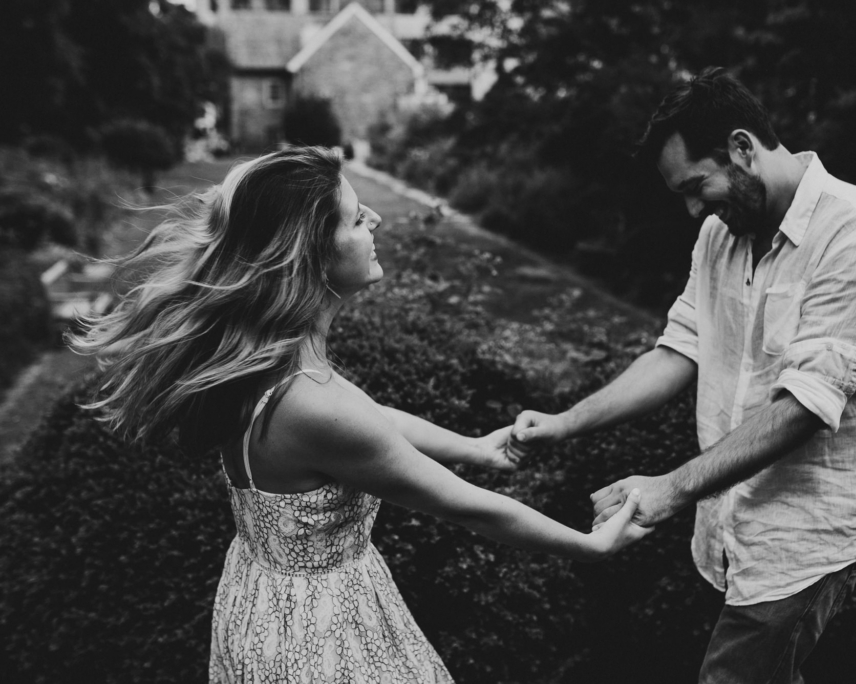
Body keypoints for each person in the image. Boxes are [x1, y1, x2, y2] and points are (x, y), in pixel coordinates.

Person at [69, 146, 651, 683]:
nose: (374, 220)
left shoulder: (263, 363)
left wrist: (473, 447)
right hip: (322, 637)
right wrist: (588, 546)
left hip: (261, 604)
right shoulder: (315, 404)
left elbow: (375, 420)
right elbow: (468, 507)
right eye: (353, 218)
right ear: (311, 257)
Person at [507, 67, 856, 683]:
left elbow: (802, 407)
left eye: (698, 186)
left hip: (805, 537)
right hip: (731, 527)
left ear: (743, 148)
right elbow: (678, 353)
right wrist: (566, 424)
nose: (695, 208)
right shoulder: (719, 237)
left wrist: (668, 489)